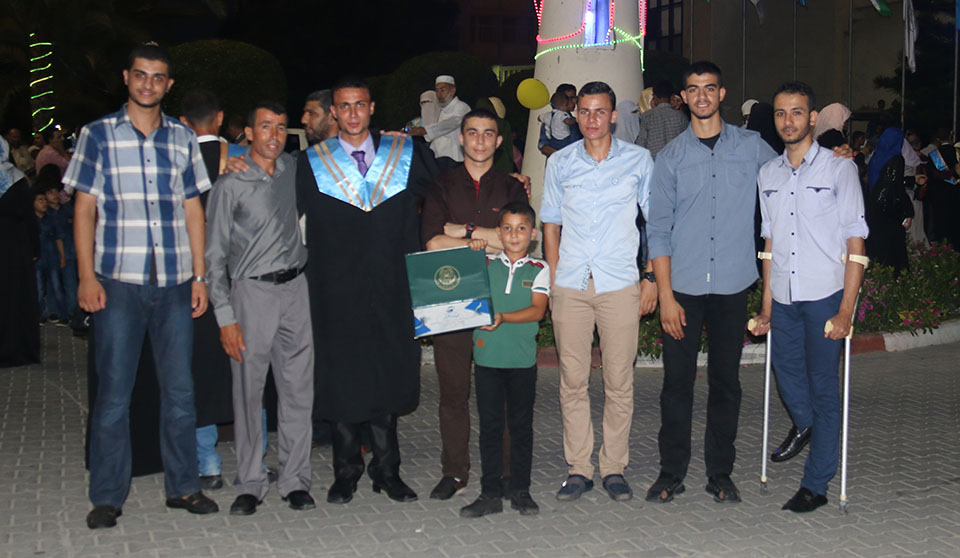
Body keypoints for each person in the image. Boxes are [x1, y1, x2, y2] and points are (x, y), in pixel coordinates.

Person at [63, 43, 218, 529]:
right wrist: (86, 277)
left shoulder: (182, 138)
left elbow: (193, 211)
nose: (148, 84)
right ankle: (107, 496)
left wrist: (200, 277)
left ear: (168, 85)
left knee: (180, 392)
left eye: (158, 77)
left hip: (175, 284)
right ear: (126, 77)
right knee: (114, 395)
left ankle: (184, 487)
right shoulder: (97, 135)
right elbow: (84, 209)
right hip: (118, 284)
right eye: (141, 74)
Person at [295, 78, 436, 505]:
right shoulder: (311, 163)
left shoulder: (404, 154)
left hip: (391, 286)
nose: (353, 113)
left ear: (372, 108)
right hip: (334, 290)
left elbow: (444, 192)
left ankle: (387, 470)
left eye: (360, 105)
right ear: (334, 113)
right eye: (344, 106)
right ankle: (346, 471)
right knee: (342, 376)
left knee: (386, 373)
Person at [645, 61, 778, 505]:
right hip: (682, 287)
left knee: (726, 384)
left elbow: (789, 178)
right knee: (676, 386)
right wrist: (665, 295)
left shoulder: (752, 147)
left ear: (722, 94)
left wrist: (831, 158)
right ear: (683, 97)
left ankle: (720, 474)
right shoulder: (670, 158)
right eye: (693, 89)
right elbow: (658, 230)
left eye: (709, 88)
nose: (701, 96)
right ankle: (671, 473)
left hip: (732, 284)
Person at [749, 81, 868, 513]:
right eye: (781, 113)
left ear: (813, 118)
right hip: (783, 296)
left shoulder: (839, 169)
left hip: (824, 295)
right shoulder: (768, 173)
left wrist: (846, 311)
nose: (788, 121)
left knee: (823, 387)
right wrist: (766, 307)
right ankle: (809, 426)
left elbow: (856, 243)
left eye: (797, 112)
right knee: (787, 375)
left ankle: (816, 483)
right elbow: (769, 243)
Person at [541, 81, 657, 503]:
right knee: (572, 382)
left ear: (613, 115)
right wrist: (554, 281)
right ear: (576, 115)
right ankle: (578, 467)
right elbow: (550, 225)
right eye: (585, 111)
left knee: (618, 382)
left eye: (600, 111)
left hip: (620, 284)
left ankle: (613, 467)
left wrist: (651, 276)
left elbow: (656, 222)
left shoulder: (639, 160)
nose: (592, 119)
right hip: (571, 285)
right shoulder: (560, 163)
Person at [206, 101, 315, 516]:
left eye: (281, 127)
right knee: (249, 393)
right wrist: (225, 318)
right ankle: (251, 483)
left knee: (298, 390)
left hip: (295, 290)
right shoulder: (229, 184)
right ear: (248, 133)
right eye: (265, 127)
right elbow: (214, 257)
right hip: (251, 294)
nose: (274, 135)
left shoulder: (291, 169)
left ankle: (295, 480)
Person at [420, 108, 528, 500]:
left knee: (499, 393)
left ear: (498, 142)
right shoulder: (442, 185)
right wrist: (482, 239)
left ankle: (504, 473)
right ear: (461, 138)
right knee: (453, 393)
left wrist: (463, 230)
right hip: (451, 294)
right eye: (472, 133)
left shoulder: (511, 188)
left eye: (488, 134)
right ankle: (455, 472)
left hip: (500, 294)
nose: (480, 140)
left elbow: (516, 240)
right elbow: (432, 241)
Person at [459, 201, 549, 518]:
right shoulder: (484, 263)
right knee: (490, 428)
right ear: (498, 233)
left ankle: (521, 490)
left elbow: (538, 310)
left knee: (521, 428)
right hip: (487, 360)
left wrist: (502, 317)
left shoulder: (539, 268)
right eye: (507, 228)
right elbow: (455, 283)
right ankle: (490, 493)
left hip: (521, 362)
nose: (514, 235)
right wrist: (469, 248)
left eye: (521, 228)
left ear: (533, 234)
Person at [177, 88, 245, 490]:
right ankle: (254, 457)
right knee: (247, 366)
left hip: (194, 280)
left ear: (183, 123)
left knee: (198, 368)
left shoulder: (176, 162)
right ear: (220, 118)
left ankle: (207, 461)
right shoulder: (242, 158)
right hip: (241, 277)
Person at [0, 136, 41, 366]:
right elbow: (28, 216)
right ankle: (14, 348)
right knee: (14, 298)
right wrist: (35, 247)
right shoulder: (15, 180)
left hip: (13, 245)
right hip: (14, 247)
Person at [864, 127, 913, 274]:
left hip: (873, 207)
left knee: (878, 247)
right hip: (889, 211)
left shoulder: (876, 157)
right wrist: (908, 211)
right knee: (893, 250)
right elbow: (895, 186)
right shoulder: (896, 159)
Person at [408, 75, 471, 168]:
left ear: (452, 91)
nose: (439, 94)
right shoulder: (440, 109)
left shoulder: (462, 107)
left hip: (456, 160)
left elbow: (451, 123)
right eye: (437, 91)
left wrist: (426, 130)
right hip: (439, 159)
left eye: (442, 90)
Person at [34, 186, 67, 324]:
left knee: (57, 286)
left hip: (52, 257)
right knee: (39, 288)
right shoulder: (30, 221)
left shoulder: (51, 219)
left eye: (44, 200)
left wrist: (62, 256)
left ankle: (63, 314)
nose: (44, 203)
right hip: (37, 259)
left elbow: (59, 238)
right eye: (40, 200)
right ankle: (40, 314)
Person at [635, 80, 689, 161]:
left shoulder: (647, 117)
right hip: (677, 163)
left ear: (654, 97)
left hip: (655, 163)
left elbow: (641, 143)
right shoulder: (681, 117)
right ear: (672, 97)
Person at [539, 83, 580, 157]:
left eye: (574, 98)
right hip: (557, 162)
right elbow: (543, 146)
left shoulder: (577, 122)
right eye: (568, 98)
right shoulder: (549, 121)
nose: (572, 101)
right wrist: (563, 157)